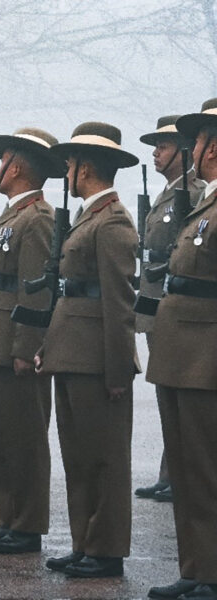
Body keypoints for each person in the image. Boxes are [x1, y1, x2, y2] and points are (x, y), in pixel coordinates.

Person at [35, 121, 140, 578]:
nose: (66, 172)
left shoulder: (113, 223)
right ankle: (85, 544)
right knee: (78, 458)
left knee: (104, 459)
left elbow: (119, 306)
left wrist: (119, 371)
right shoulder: (88, 218)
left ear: (87, 167)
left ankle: (106, 549)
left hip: (98, 359)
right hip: (72, 352)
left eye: (71, 163)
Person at [0, 128, 63, 554]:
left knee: (24, 439)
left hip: (12, 343)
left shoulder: (37, 219)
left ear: (16, 166)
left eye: (3, 161)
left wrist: (27, 347)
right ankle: (7, 518)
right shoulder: (12, 216)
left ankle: (28, 523)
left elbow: (35, 289)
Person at [145, 98, 217, 600]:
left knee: (206, 473)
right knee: (190, 476)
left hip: (206, 356)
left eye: (199, 139)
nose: (194, 149)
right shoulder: (205, 203)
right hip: (182, 353)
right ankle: (198, 569)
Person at [133, 115, 205, 504]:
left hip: (173, 302)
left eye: (162, 147)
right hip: (154, 302)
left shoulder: (193, 192)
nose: (156, 154)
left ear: (184, 151)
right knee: (166, 390)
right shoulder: (167, 193)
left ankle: (180, 472)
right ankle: (170, 471)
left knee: (178, 391)